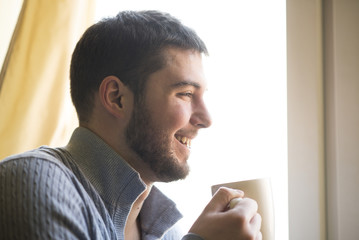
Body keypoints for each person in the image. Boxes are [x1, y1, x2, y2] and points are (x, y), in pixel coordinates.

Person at [0, 10, 262, 240]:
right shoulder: (34, 181)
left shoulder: (168, 232)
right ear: (117, 97)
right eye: (185, 93)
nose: (206, 119)